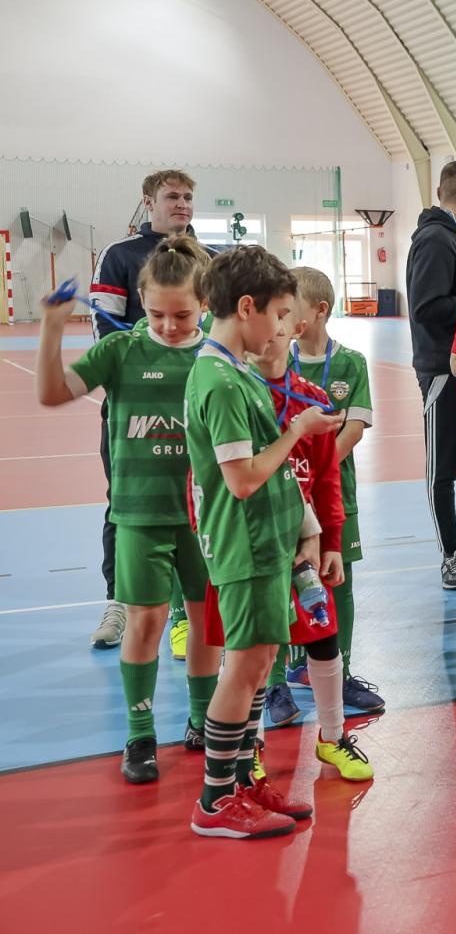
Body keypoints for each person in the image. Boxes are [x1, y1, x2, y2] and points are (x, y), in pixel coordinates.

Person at [36, 234, 221, 781]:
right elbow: (52, 392)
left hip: (207, 518)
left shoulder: (218, 354)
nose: (169, 325)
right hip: (140, 516)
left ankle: (201, 720)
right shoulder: (120, 351)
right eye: (158, 314)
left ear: (205, 303)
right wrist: (51, 327)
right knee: (145, 622)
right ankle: (140, 734)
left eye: (182, 315)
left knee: (207, 623)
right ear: (141, 300)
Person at [185, 246, 343, 839]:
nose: (281, 327)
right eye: (278, 314)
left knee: (261, 663)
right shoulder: (220, 380)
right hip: (244, 545)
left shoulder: (239, 373)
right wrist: (298, 429)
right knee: (244, 667)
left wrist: (307, 529)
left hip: (270, 543)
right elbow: (244, 478)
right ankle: (214, 800)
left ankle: (239, 784)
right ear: (247, 307)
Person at [245, 295, 374, 781]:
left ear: (295, 328)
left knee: (322, 634)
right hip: (254, 540)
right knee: (254, 647)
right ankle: (249, 746)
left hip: (308, 544)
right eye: (265, 320)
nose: (272, 331)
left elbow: (326, 479)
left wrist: (331, 539)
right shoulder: (237, 393)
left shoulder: (312, 397)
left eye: (282, 320)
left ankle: (333, 736)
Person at [86, 169, 199, 651]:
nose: (182, 204)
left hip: (197, 408)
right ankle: (118, 602)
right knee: (124, 502)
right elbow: (104, 330)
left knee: (199, 503)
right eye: (172, 196)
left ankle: (195, 610)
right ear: (148, 201)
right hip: (135, 411)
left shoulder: (207, 258)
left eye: (188, 197)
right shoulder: (120, 255)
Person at [405, 160, 456, 592]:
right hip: (442, 369)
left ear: (440, 192)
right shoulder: (436, 239)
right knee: (444, 467)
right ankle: (450, 555)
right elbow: (427, 307)